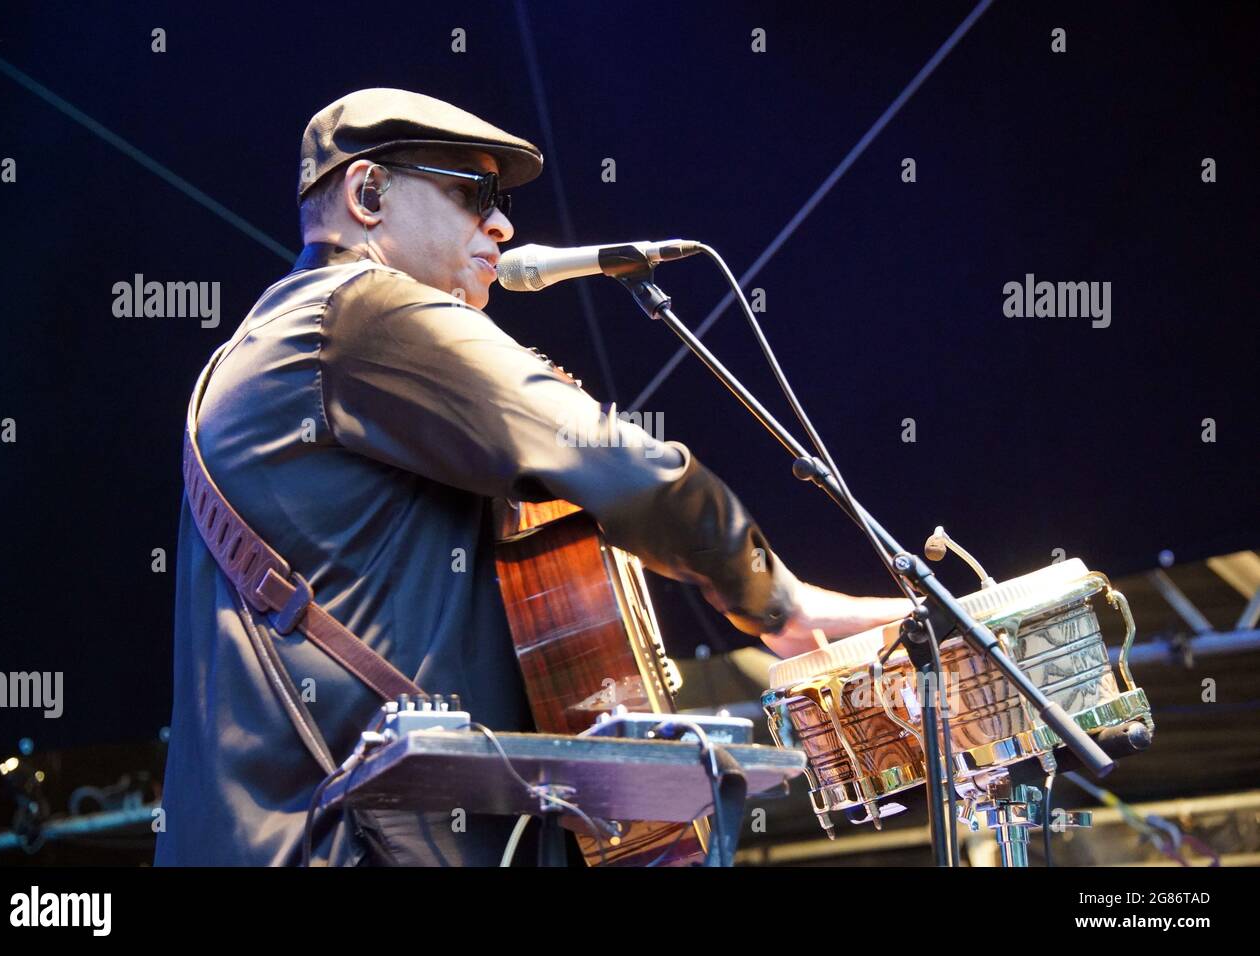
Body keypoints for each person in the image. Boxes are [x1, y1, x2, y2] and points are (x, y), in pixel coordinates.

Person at [155, 88, 910, 866]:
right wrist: (779, 606)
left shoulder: (269, 348)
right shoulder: (355, 312)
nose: (503, 225)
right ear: (369, 193)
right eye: (472, 194)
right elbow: (619, 463)